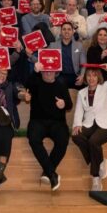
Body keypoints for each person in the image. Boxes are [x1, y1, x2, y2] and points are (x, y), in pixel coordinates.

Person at [70, 64, 107, 190]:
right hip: (89, 123)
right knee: (76, 136)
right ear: (85, 77)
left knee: (93, 141)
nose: (91, 78)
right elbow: (79, 110)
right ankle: (100, 162)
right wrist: (77, 124)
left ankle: (96, 178)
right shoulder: (81, 92)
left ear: (98, 77)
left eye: (94, 75)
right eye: (88, 75)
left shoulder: (106, 87)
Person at [22, 61, 72, 190]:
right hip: (38, 121)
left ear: (56, 72)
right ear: (42, 71)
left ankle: (48, 172)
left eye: (51, 71)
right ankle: (52, 174)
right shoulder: (36, 83)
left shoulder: (61, 84)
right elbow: (27, 84)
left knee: (63, 140)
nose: (49, 73)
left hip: (57, 122)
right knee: (33, 138)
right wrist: (35, 71)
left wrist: (64, 104)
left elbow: (69, 104)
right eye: (46, 71)